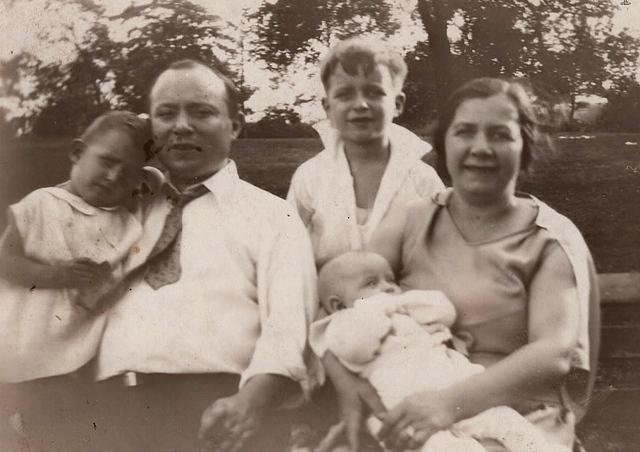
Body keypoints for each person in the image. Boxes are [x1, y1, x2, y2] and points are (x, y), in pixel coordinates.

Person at [343, 77, 597, 451]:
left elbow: (552, 354)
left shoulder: (549, 238)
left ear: (524, 145)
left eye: (499, 135)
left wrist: (446, 405)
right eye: (464, 132)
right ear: (444, 143)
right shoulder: (411, 220)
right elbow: (340, 301)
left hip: (518, 420)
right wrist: (352, 391)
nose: (480, 148)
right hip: (413, 414)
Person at [85, 59, 318, 452]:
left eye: (202, 111)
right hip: (110, 414)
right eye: (166, 114)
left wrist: (250, 403)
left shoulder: (269, 216)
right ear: (150, 129)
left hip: (224, 413)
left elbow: (289, 327)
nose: (181, 126)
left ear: (235, 125)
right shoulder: (121, 211)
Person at [309, 251, 570, 452]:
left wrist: (401, 302)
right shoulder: (343, 324)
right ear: (338, 304)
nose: (388, 287)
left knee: (504, 420)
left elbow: (444, 311)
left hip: (453, 388)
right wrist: (376, 312)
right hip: (402, 409)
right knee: (443, 447)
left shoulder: (403, 309)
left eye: (390, 279)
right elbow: (356, 350)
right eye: (371, 283)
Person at [0, 111, 154, 446]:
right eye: (106, 161)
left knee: (73, 425)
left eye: (127, 174)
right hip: (29, 337)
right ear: (77, 152)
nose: (113, 176)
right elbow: (4, 260)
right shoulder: (42, 204)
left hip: (79, 352)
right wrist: (56, 275)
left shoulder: (127, 224)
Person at [287, 36, 444, 268]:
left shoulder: (423, 180)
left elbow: (442, 253)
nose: (360, 104)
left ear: (398, 104)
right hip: (327, 300)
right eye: (345, 94)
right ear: (328, 108)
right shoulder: (310, 177)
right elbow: (287, 251)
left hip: (404, 300)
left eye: (374, 92)